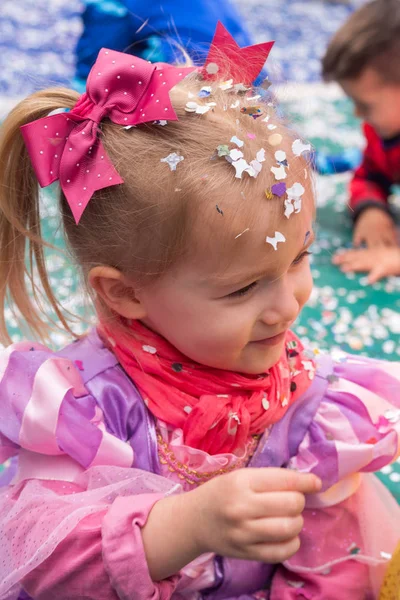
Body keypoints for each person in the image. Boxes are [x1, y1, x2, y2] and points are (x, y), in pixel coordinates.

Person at [0, 24, 399, 600]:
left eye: (299, 258)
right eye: (242, 290)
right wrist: (181, 528)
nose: (287, 306)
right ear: (125, 293)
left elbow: (333, 560)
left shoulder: (314, 405)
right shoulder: (83, 411)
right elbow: (37, 561)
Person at [322, 0, 400, 283]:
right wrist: (371, 209)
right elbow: (368, 175)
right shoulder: (384, 136)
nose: (358, 114)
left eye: (365, 104)